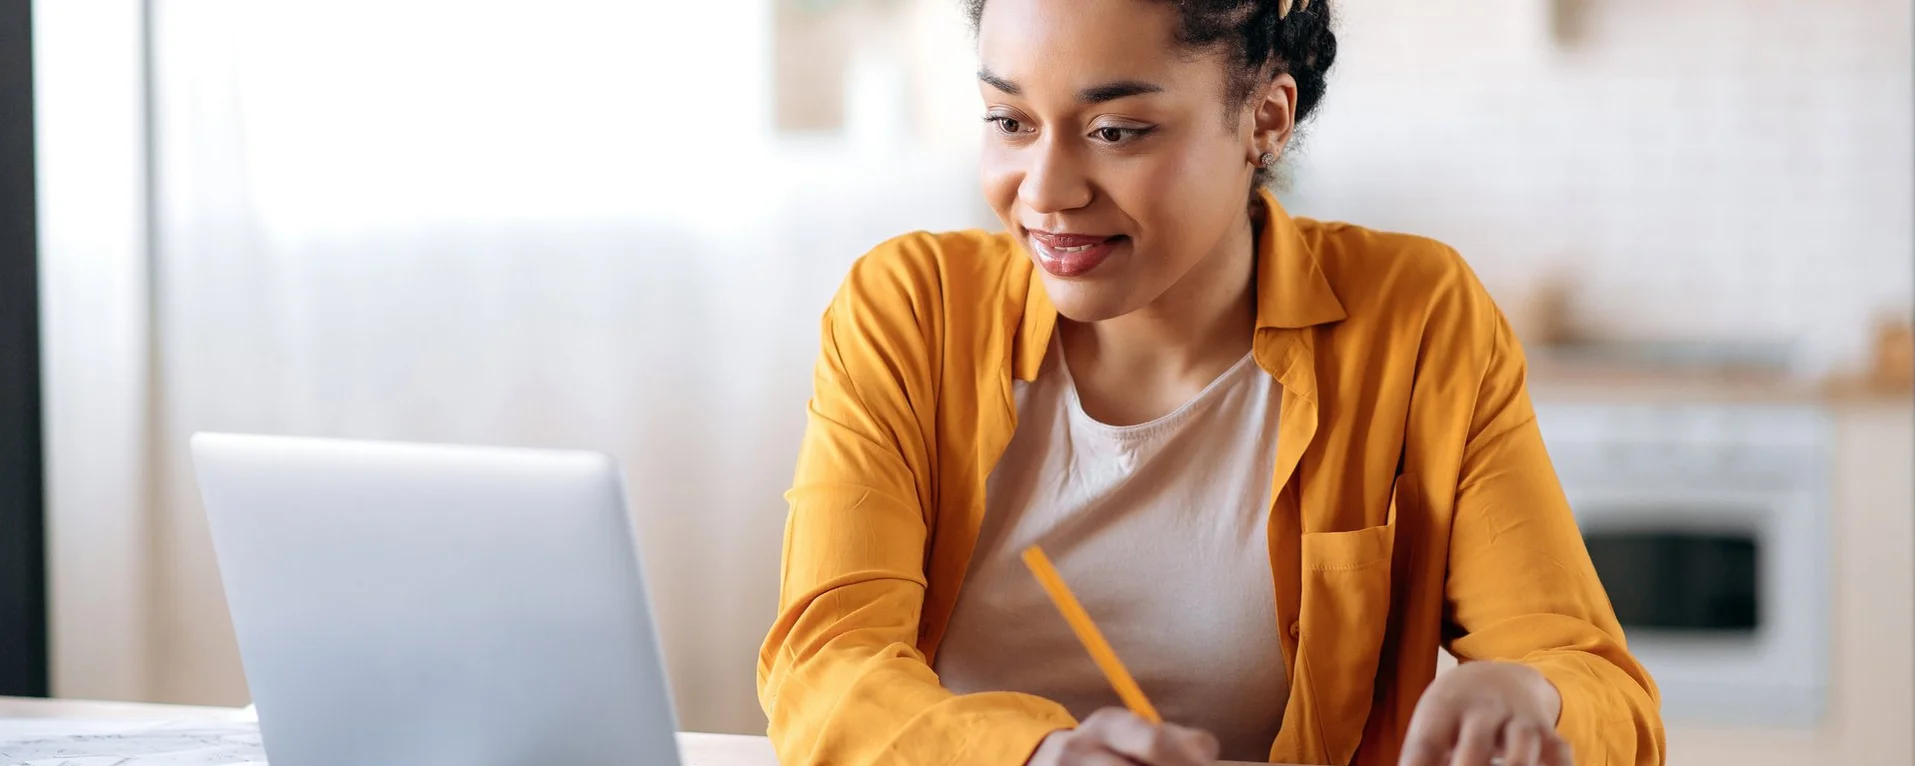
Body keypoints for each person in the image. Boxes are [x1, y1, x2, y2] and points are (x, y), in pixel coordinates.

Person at [756, 0, 1664, 763]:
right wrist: (1039, 756)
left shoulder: (1415, 319)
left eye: (1116, 131)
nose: (1045, 191)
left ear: (1264, 119)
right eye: (1010, 121)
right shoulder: (911, 310)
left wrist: (1533, 699)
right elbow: (823, 667)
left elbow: (1599, 687)